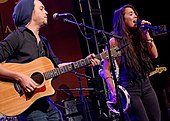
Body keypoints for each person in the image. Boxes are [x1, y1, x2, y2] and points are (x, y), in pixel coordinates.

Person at [0, 0, 100, 120]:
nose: (46, 12)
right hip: (25, 104)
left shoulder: (43, 42)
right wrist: (20, 77)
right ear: (29, 12)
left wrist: (84, 62)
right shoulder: (17, 37)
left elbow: (57, 67)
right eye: (41, 9)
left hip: (44, 101)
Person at [103, 4, 161, 121]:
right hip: (130, 87)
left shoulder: (140, 35)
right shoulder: (115, 41)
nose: (135, 16)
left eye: (135, 13)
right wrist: (113, 90)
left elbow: (155, 55)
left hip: (145, 83)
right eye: (130, 14)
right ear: (122, 19)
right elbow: (106, 69)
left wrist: (146, 33)